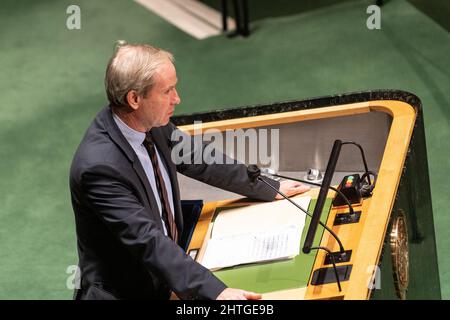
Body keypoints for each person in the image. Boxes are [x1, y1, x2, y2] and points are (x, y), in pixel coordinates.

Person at [69, 42, 310, 300]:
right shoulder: (99, 168)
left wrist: (265, 185)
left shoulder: (150, 122)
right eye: (168, 91)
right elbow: (147, 241)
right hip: (132, 291)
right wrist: (217, 292)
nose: (177, 98)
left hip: (166, 267)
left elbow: (200, 158)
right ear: (134, 99)